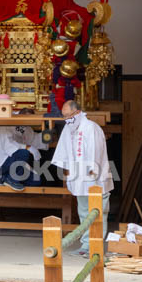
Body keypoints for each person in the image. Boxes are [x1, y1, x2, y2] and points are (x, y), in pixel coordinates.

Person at [51, 99, 113, 257]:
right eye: (64, 117)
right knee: (84, 212)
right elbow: (64, 152)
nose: (67, 119)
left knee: (97, 213)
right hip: (79, 179)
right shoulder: (69, 128)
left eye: (69, 116)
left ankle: (95, 247)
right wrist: (68, 173)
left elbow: (95, 152)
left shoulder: (91, 128)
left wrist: (91, 173)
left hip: (95, 178)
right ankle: (86, 245)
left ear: (77, 113)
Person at [0, 125, 46, 191]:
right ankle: (11, 179)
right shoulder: (4, 123)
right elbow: (8, 147)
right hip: (2, 161)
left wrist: (48, 137)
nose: (27, 115)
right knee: (25, 153)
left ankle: (3, 177)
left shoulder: (25, 126)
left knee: (36, 180)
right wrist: (27, 147)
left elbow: (32, 139)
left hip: (16, 165)